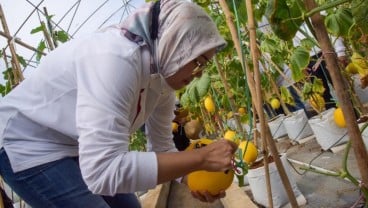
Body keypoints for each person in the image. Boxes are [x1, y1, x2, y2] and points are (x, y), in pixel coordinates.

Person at [0, 1, 238, 207]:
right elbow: (102, 172)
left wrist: (191, 178)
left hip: (71, 143)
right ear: (176, 45)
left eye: (204, 66)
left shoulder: (163, 80)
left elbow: (162, 148)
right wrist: (200, 159)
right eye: (197, 61)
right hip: (25, 142)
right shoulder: (116, 59)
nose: (198, 74)